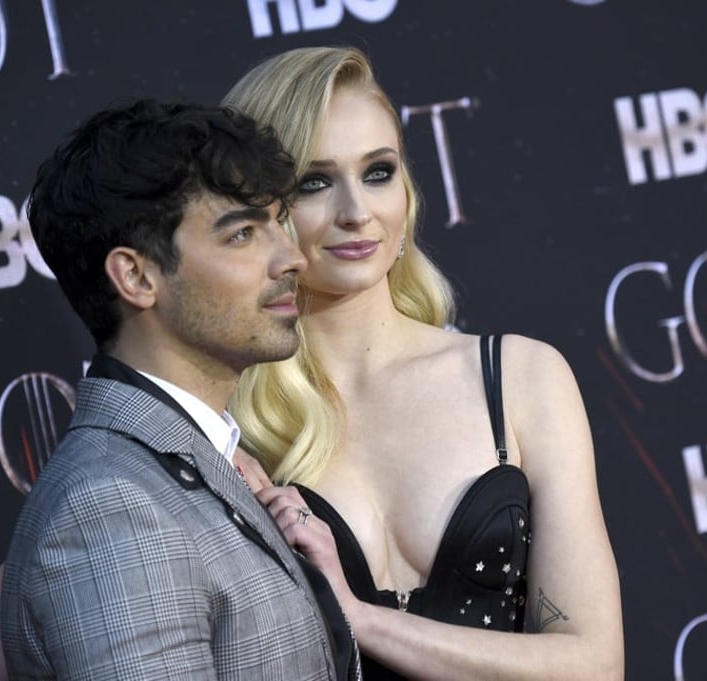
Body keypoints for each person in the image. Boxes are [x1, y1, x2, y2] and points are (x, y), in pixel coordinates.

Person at [221, 46, 625, 680]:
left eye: (378, 171)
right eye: (314, 182)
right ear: (258, 211)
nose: (357, 211)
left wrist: (360, 619)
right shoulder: (223, 427)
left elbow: (594, 667)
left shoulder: (519, 379)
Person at [0, 98, 359, 680]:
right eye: (241, 234)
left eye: (276, 222)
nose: (291, 257)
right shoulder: (110, 509)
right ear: (136, 276)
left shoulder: (193, 466)